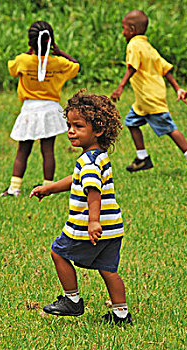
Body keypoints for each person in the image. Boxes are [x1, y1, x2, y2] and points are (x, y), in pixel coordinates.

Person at [30, 91, 132, 325]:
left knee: (58, 252)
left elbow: (92, 191)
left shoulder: (88, 161)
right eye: (69, 125)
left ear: (97, 130)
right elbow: (78, 179)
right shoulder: (98, 157)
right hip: (112, 227)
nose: (71, 131)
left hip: (88, 226)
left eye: (78, 126)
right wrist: (50, 188)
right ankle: (121, 314)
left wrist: (93, 221)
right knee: (108, 269)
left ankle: (72, 300)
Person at [111, 10, 187, 180]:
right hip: (145, 99)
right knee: (131, 123)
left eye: (124, 28)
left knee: (168, 127)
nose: (123, 32)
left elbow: (131, 67)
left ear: (132, 29)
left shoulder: (133, 45)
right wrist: (177, 88)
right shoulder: (148, 46)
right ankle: (142, 158)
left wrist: (120, 87)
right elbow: (165, 68)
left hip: (150, 98)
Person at [1, 21, 80, 197]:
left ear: (30, 42)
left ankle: (14, 188)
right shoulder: (57, 62)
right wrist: (58, 51)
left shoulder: (23, 61)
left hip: (30, 110)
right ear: (50, 42)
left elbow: (13, 69)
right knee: (48, 150)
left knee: (23, 150)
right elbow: (76, 66)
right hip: (50, 110)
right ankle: (48, 187)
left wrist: (30, 52)